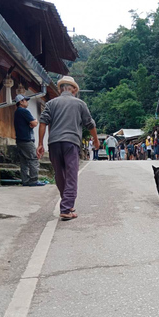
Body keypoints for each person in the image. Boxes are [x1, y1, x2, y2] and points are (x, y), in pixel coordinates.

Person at [36, 76, 99, 221]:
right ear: (74, 90)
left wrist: (40, 143)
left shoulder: (51, 103)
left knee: (60, 174)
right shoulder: (80, 104)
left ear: (60, 89)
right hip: (71, 143)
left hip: (54, 143)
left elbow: (43, 122)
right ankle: (65, 208)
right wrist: (96, 140)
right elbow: (90, 124)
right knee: (71, 175)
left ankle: (67, 204)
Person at [14, 94, 45, 187]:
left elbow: (31, 124)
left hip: (19, 140)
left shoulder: (17, 112)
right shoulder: (24, 111)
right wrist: (34, 121)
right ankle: (33, 180)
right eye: (25, 100)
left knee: (24, 161)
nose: (27, 102)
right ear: (21, 102)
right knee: (33, 159)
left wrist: (31, 123)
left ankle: (25, 180)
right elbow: (34, 123)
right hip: (27, 140)